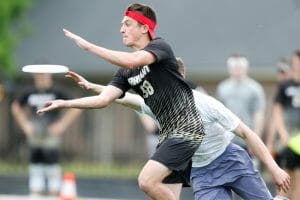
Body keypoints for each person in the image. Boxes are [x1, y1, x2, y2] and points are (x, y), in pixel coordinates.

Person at [37, 3, 205, 200]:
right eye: (121, 24)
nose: (121, 29)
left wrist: (89, 47)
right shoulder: (125, 72)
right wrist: (65, 103)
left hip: (186, 129)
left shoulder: (160, 46)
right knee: (165, 194)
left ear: (144, 28)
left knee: (146, 181)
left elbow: (131, 60)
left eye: (127, 24)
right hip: (168, 135)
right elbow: (103, 99)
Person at [65, 62, 290, 199]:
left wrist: (275, 168)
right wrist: (94, 87)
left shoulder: (206, 103)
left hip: (231, 160)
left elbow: (248, 133)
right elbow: (122, 97)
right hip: (202, 173)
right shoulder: (156, 105)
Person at [11, 73, 81, 197]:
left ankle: (54, 192)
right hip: (35, 133)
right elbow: (16, 107)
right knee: (35, 162)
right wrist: (25, 125)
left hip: (50, 133)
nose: (41, 78)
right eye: (39, 75)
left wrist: (62, 125)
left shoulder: (57, 91)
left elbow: (76, 107)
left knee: (52, 162)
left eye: (44, 75)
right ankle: (35, 192)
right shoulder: (30, 91)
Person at [216, 54, 266, 164]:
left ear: (246, 68)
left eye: (240, 67)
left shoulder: (255, 88)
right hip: (228, 140)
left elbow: (258, 114)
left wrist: (255, 139)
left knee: (250, 171)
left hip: (248, 138)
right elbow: (219, 116)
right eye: (234, 67)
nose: (237, 70)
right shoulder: (222, 88)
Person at [270, 50, 300, 199]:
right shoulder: (285, 86)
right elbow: (277, 111)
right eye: (296, 61)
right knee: (286, 177)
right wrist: (283, 134)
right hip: (289, 139)